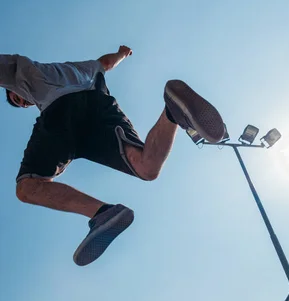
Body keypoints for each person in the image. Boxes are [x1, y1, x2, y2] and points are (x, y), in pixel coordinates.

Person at [0, 46, 225, 266]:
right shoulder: (81, 68)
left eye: (18, 97)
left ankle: (100, 212)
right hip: (100, 108)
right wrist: (122, 53)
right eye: (21, 104)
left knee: (27, 187)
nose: (24, 101)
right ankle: (172, 111)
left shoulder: (24, 71)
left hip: (60, 113)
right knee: (147, 167)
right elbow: (105, 63)